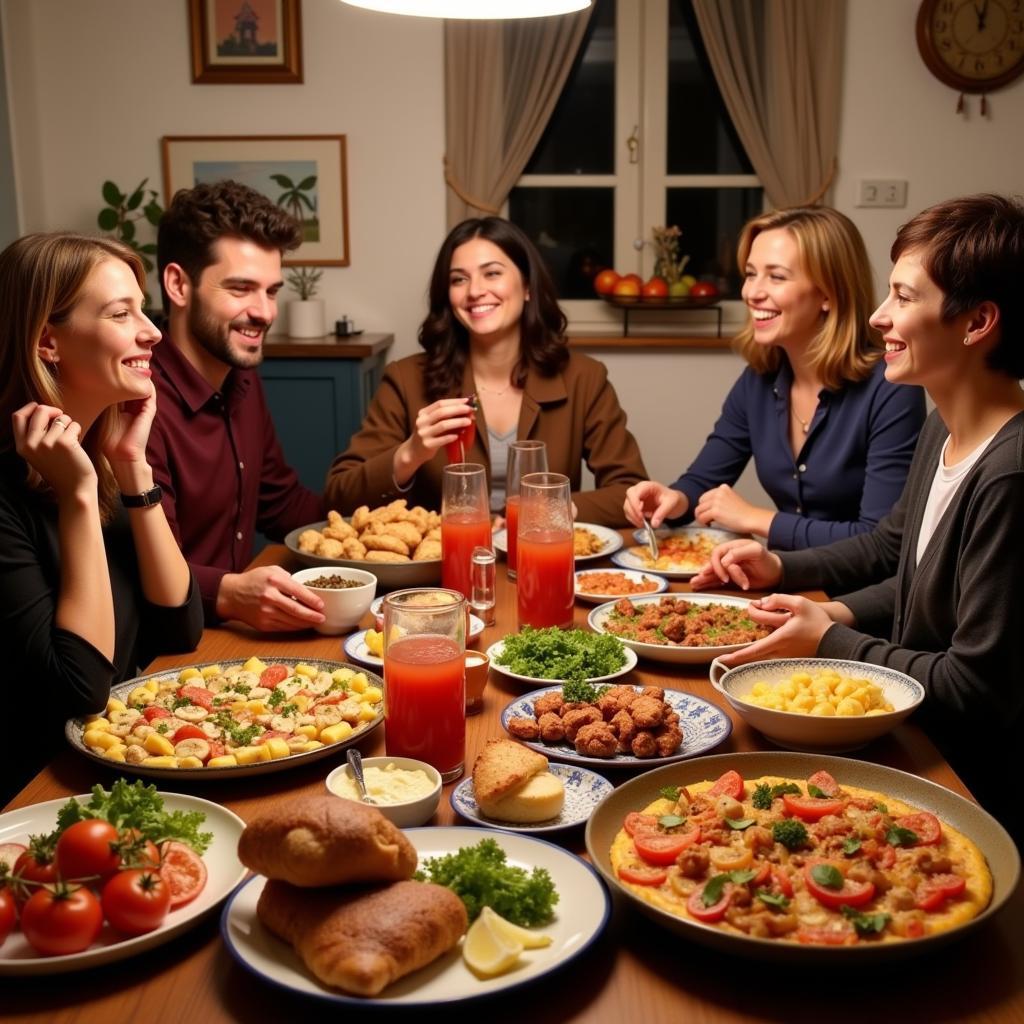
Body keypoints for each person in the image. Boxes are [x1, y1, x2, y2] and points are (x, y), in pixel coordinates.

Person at [691, 194, 1024, 841]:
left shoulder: (1009, 473)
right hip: (912, 742)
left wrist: (829, 640)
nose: (878, 317)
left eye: (903, 297)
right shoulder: (943, 429)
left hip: (964, 788)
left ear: (977, 321)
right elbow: (902, 562)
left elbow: (977, 689)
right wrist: (796, 579)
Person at [0, 233, 204, 802]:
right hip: (40, 796)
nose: (154, 331)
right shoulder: (15, 492)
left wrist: (132, 465)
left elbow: (180, 630)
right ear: (47, 341)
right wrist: (79, 497)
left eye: (143, 308)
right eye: (122, 313)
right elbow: (81, 690)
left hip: (118, 761)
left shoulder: (99, 456)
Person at [624, 206, 926, 550]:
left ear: (829, 293)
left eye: (777, 276)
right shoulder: (758, 380)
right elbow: (705, 479)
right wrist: (673, 498)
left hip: (853, 600)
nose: (752, 292)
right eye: (751, 274)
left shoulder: (891, 388)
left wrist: (757, 519)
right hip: (782, 581)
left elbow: (880, 543)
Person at [325, 217, 647, 525]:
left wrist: (547, 511)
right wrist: (410, 453)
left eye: (492, 273)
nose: (474, 291)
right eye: (458, 279)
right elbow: (339, 497)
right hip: (443, 573)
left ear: (527, 286)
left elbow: (631, 493)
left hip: (542, 563)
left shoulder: (583, 378)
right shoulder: (406, 379)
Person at [148, 180, 327, 632]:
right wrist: (228, 593)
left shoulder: (241, 375)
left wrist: (396, 512)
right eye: (241, 288)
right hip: (160, 653)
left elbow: (281, 504)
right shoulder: (138, 401)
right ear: (178, 285)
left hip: (234, 640)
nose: (264, 312)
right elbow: (138, 568)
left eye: (271, 291)